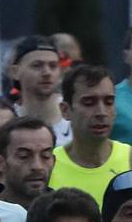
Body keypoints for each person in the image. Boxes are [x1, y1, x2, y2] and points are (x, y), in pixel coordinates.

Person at [50, 65, 131, 211]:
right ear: (65, 110)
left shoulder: (130, 158)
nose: (101, 112)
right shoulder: (49, 165)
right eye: (89, 102)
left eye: (108, 102)